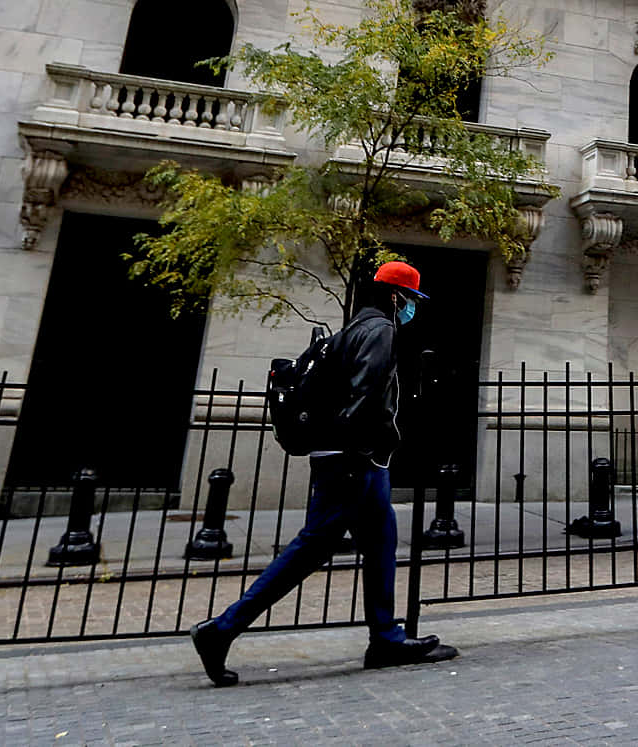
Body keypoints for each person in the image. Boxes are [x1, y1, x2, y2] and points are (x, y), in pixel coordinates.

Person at [189, 260, 459, 682]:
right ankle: (221, 630)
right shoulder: (380, 331)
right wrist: (362, 448)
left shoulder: (353, 328)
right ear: (394, 295)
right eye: (410, 300)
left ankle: (386, 637)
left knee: (381, 540)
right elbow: (365, 394)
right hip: (354, 462)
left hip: (355, 461)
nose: (412, 309)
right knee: (310, 550)